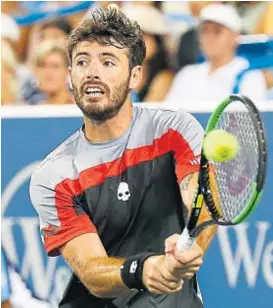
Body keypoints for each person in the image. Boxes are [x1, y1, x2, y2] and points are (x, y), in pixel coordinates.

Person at [30, 7, 216, 308]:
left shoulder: (174, 130)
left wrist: (190, 248)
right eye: (82, 61)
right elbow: (91, 269)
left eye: (108, 61)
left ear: (135, 75)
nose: (92, 71)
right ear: (70, 76)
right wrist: (143, 269)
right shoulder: (54, 176)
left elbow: (199, 200)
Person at [166, 4, 267, 104]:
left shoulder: (250, 75)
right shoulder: (186, 74)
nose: (209, 37)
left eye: (217, 31)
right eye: (204, 31)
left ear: (234, 36)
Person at [122, 5, 174, 102]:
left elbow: (146, 115)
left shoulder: (164, 78)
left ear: (157, 42)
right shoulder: (118, 73)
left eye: (142, 35)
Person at [24, 40, 73, 105]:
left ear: (67, 71)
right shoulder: (28, 109)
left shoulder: (81, 109)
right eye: (42, 66)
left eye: (55, 66)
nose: (48, 72)